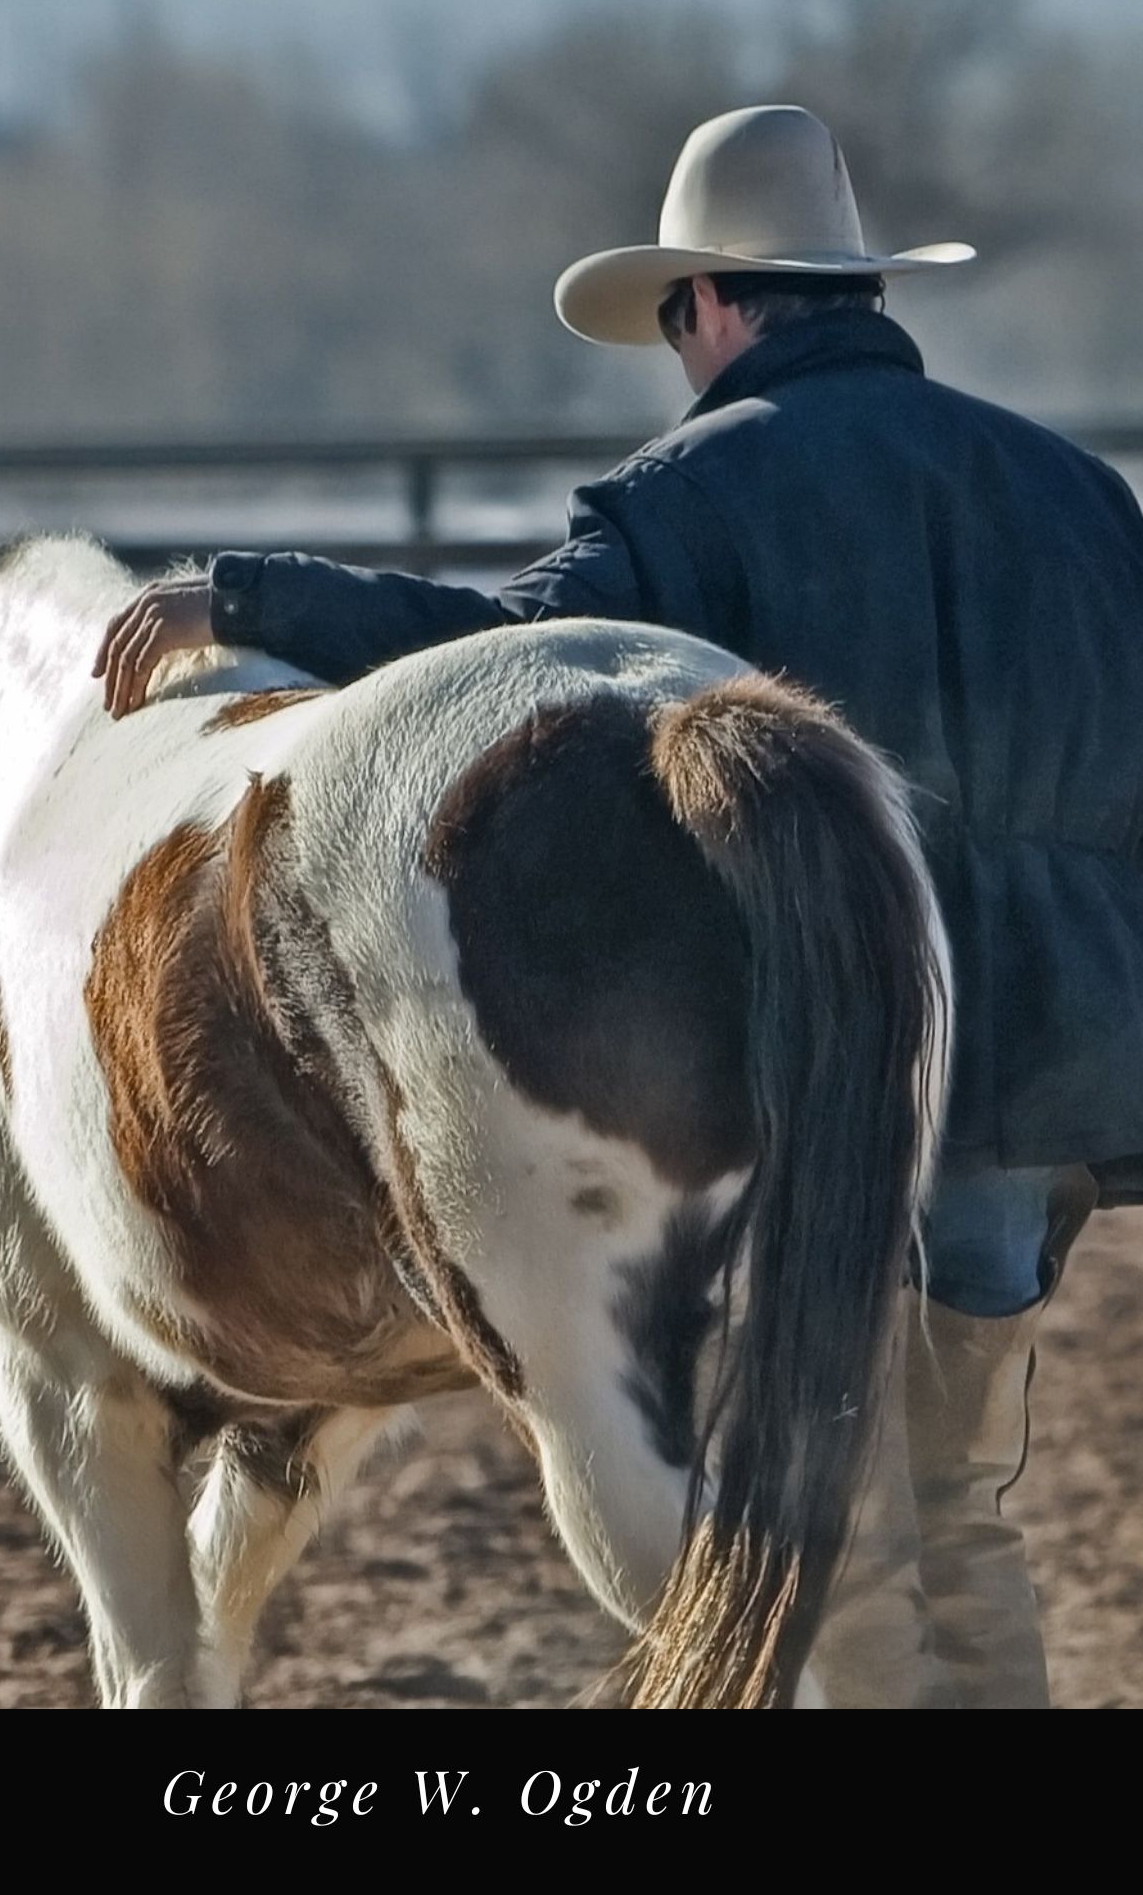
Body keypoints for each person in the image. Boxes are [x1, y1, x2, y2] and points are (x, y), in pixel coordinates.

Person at [93, 103, 1143, 1709]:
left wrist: (255, 596)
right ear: (855, 296)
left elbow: (490, 671)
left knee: (841, 1547)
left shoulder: (685, 499)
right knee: (962, 1515)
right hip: (1041, 1081)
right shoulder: (1077, 497)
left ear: (713, 304)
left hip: (823, 1071)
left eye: (673, 316)